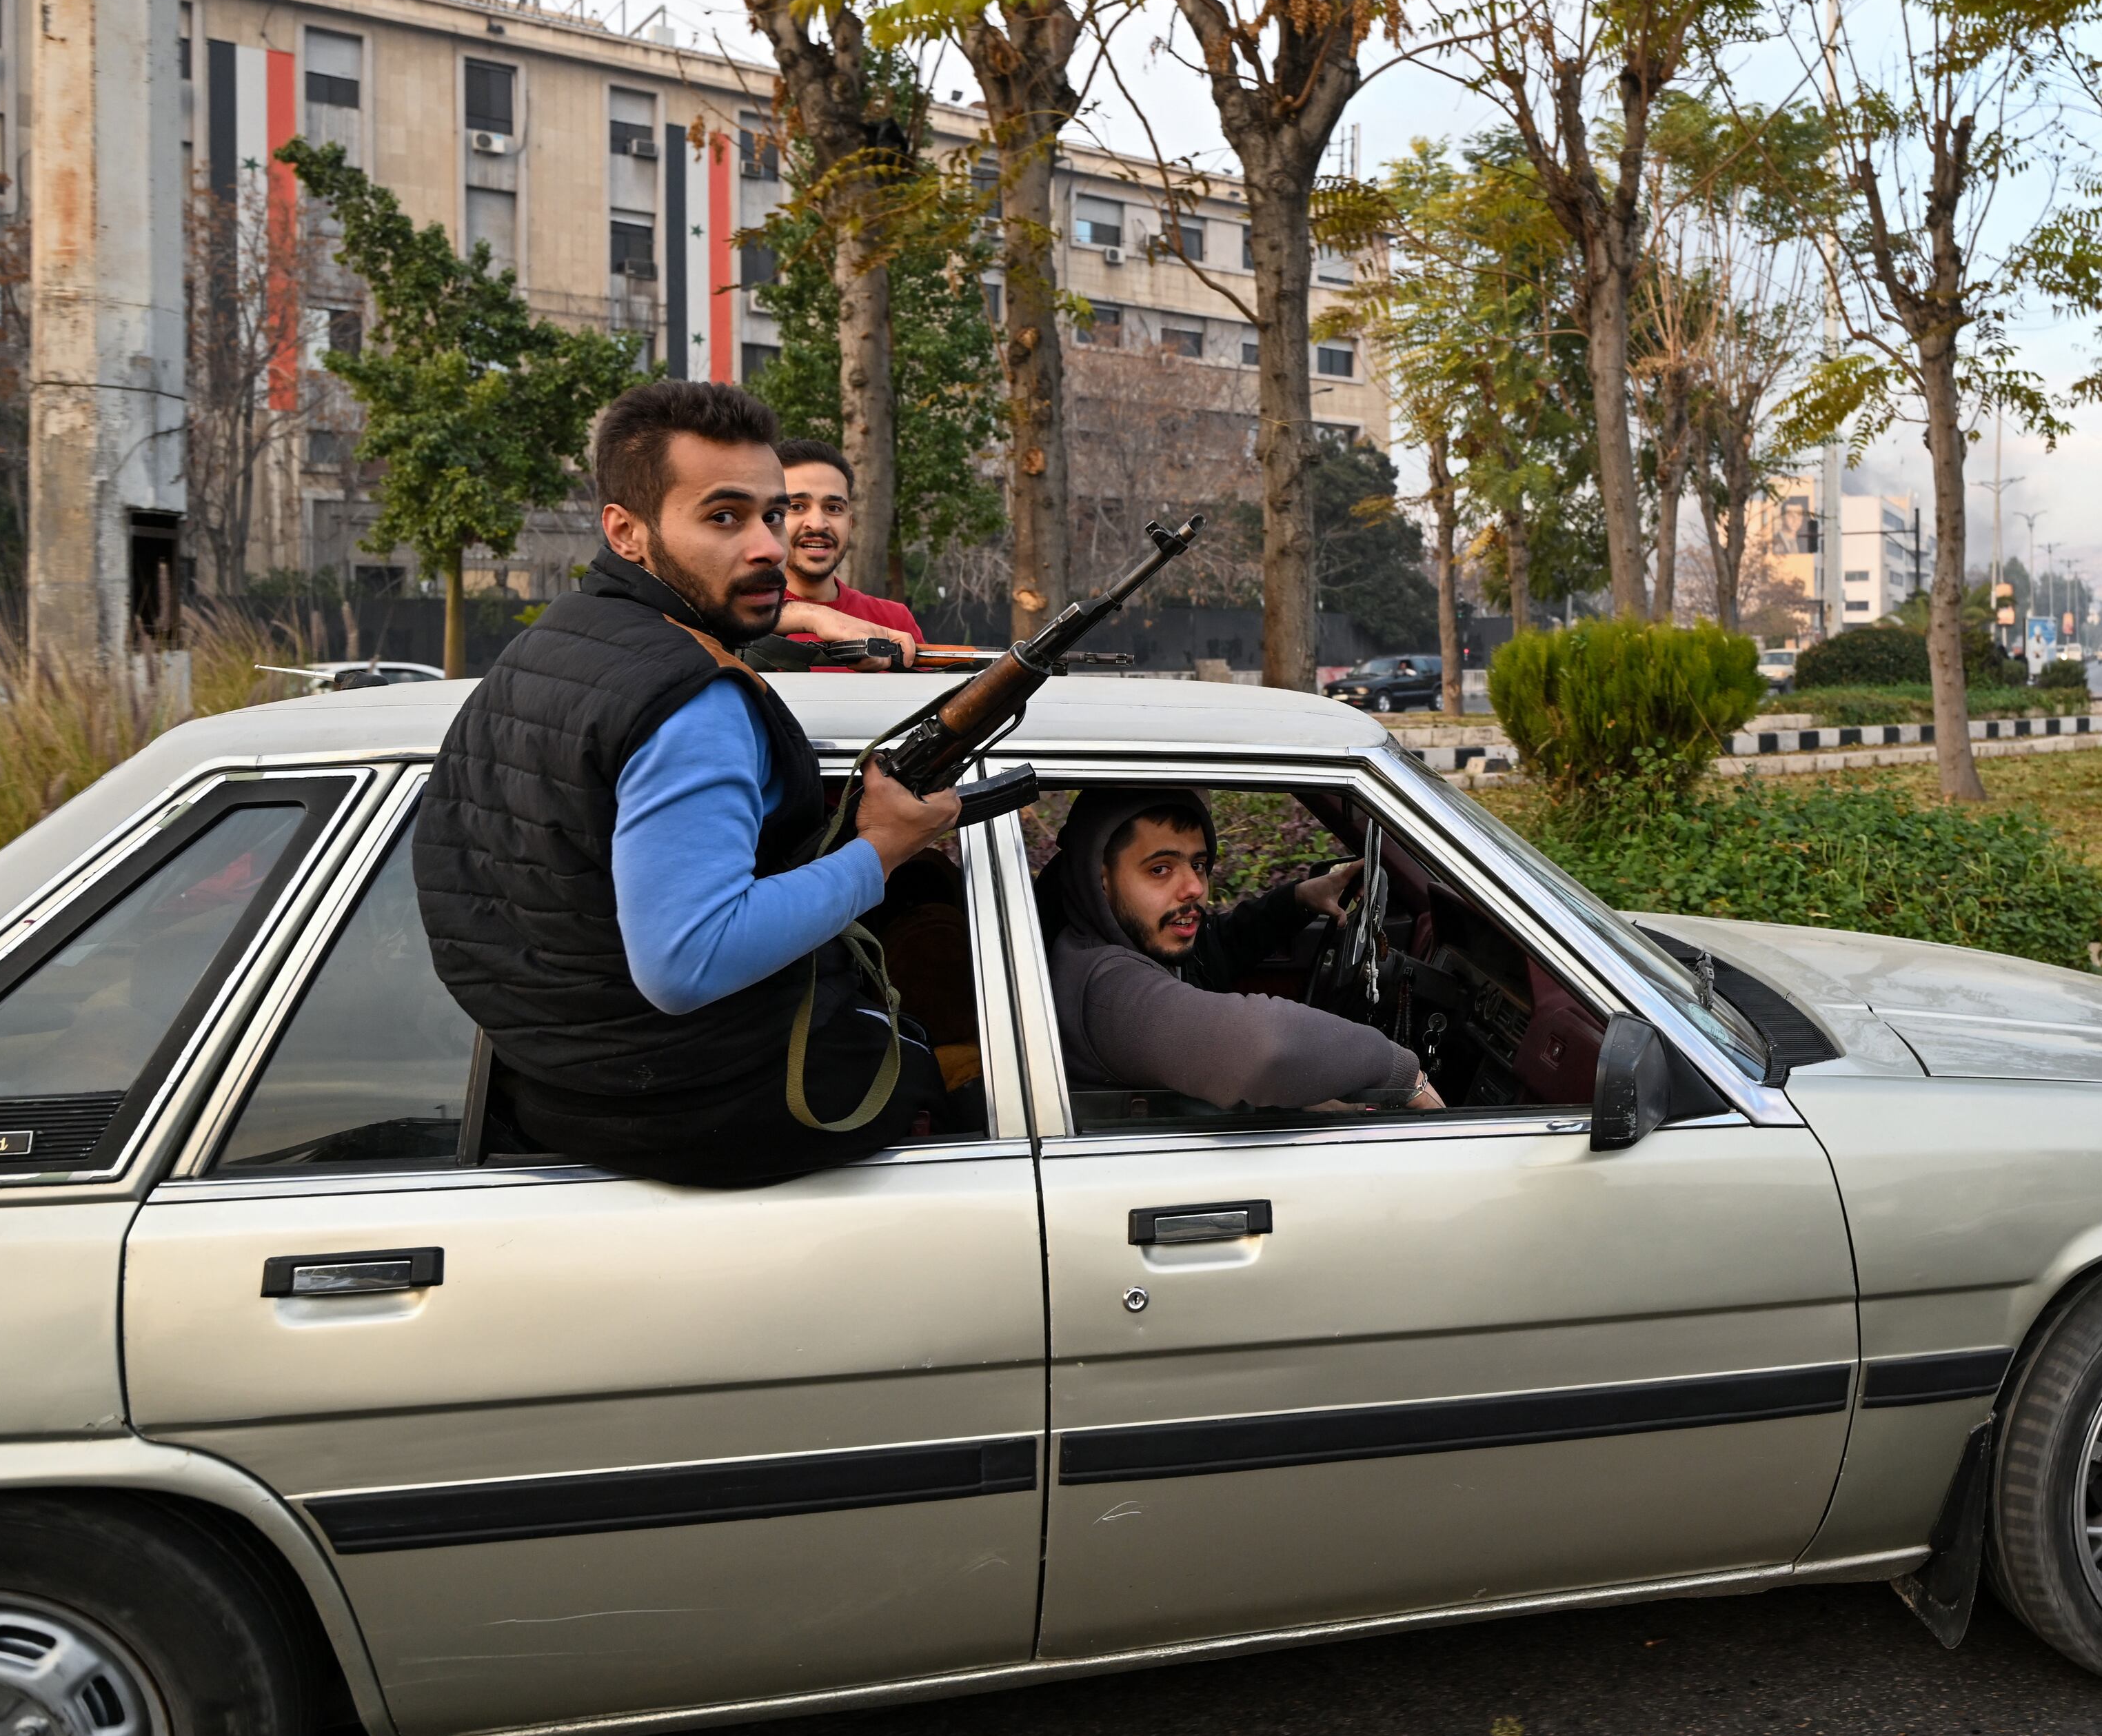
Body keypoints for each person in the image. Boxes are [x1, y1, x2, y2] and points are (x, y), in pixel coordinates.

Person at [414, 380, 968, 1187]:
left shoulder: (560, 639)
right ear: (626, 531)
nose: (770, 546)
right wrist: (881, 851)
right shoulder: (692, 701)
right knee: (943, 1084)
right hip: (705, 1107)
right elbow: (687, 962)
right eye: (724, 517)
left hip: (557, 1083)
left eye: (772, 515)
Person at [1038, 785, 1442, 1113]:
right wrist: (1402, 1074)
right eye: (1160, 869)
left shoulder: (1136, 939)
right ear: (1101, 880)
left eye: (1198, 865)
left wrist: (1299, 900)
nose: (1194, 887)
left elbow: (1218, 946)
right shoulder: (1105, 987)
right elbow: (1267, 1047)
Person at [763, 435, 923, 669]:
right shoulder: (738, 619)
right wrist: (811, 616)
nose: (818, 524)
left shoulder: (895, 622)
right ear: (770, 519)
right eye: (797, 506)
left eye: (833, 508)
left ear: (850, 522)